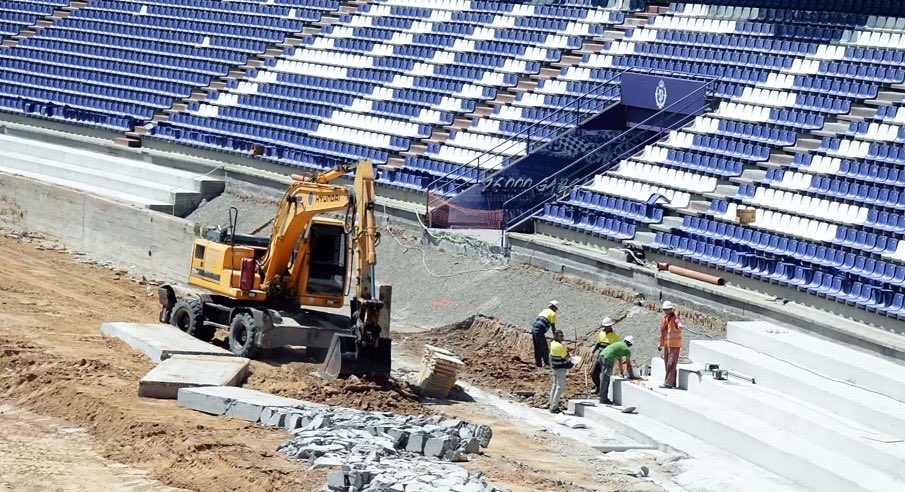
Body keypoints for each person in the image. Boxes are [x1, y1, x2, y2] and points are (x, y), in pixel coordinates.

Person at [599, 336, 633, 405]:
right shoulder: (627, 350)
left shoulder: (619, 345)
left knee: (603, 377)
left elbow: (620, 361)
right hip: (608, 358)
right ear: (630, 344)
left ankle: (601, 395)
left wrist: (621, 372)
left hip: (602, 355)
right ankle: (603, 399)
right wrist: (632, 375)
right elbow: (628, 364)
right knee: (606, 379)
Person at [590, 317, 620, 393]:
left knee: (604, 376)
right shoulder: (601, 333)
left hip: (608, 358)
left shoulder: (615, 336)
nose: (606, 328)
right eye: (605, 327)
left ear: (610, 326)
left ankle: (603, 392)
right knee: (593, 373)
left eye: (608, 326)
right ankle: (598, 387)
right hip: (600, 357)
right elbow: (598, 343)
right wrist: (592, 352)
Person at [659, 301, 684, 389]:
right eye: (665, 310)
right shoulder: (665, 318)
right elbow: (663, 331)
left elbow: (678, 321)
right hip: (667, 344)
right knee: (667, 363)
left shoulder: (675, 318)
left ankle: (668, 383)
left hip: (674, 345)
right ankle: (672, 382)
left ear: (671, 309)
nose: (667, 311)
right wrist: (660, 343)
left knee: (671, 363)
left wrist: (680, 325)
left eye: (668, 309)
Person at [548, 330, 572, 413]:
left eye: (562, 336)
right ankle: (554, 407)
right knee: (560, 387)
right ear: (556, 336)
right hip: (560, 368)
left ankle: (551, 403)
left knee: (554, 386)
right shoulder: (560, 346)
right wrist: (568, 353)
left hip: (554, 367)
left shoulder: (552, 343)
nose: (562, 337)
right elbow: (566, 357)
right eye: (560, 336)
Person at [531, 300, 559, 367]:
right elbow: (553, 327)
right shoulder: (553, 314)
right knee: (544, 347)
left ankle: (538, 363)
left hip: (534, 328)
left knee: (537, 347)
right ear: (554, 308)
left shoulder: (544, 311)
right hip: (539, 330)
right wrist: (556, 337)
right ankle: (546, 363)